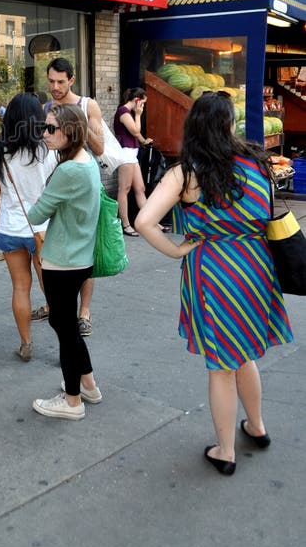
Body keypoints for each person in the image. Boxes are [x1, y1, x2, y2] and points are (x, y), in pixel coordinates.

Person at [134, 90, 293, 475]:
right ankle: (256, 427)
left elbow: (143, 222)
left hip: (215, 271)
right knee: (245, 355)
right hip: (256, 266)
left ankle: (225, 450)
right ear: (228, 125)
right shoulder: (257, 161)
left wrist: (175, 252)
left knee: (222, 363)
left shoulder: (186, 172)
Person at [27, 104, 102, 420]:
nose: (45, 134)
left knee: (65, 329)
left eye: (51, 128)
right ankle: (88, 384)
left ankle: (72, 401)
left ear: (70, 131)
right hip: (80, 257)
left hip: (63, 259)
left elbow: (37, 214)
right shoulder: (87, 163)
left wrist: (32, 200)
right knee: (64, 323)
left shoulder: (69, 170)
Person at [0, 93, 57, 361]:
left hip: (10, 228)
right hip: (44, 229)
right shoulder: (48, 151)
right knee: (52, 287)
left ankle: (26, 344)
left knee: (20, 287)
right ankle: (65, 346)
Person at [33, 56, 104, 337]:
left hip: (81, 182)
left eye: (61, 82)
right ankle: (57, 305)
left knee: (81, 251)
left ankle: (83, 312)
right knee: (53, 248)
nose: (55, 87)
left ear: (71, 80)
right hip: (53, 180)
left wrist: (76, 126)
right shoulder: (45, 108)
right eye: (51, 81)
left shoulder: (88, 105)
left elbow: (99, 148)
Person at [113, 87, 170, 237]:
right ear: (137, 100)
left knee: (140, 188)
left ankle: (150, 221)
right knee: (124, 189)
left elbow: (137, 134)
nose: (143, 107)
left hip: (132, 154)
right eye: (143, 103)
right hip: (125, 154)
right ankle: (125, 224)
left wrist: (144, 141)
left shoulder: (127, 113)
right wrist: (138, 115)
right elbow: (135, 130)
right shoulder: (123, 112)